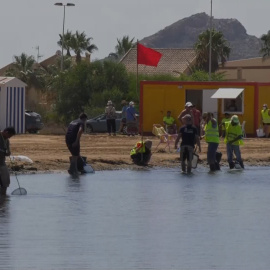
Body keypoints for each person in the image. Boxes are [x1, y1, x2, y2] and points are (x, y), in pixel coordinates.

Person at [65, 113, 88, 177]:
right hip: (73, 139)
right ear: (85, 119)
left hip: (67, 138)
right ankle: (73, 171)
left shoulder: (73, 121)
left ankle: (74, 170)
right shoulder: (81, 122)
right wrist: (76, 141)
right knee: (75, 156)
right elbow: (80, 131)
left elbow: (69, 129)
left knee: (75, 154)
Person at [0, 127, 16, 195]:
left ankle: (3, 197)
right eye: (9, 136)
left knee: (5, 181)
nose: (9, 137)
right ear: (6, 132)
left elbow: (8, 151)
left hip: (2, 163)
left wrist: (8, 153)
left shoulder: (6, 140)